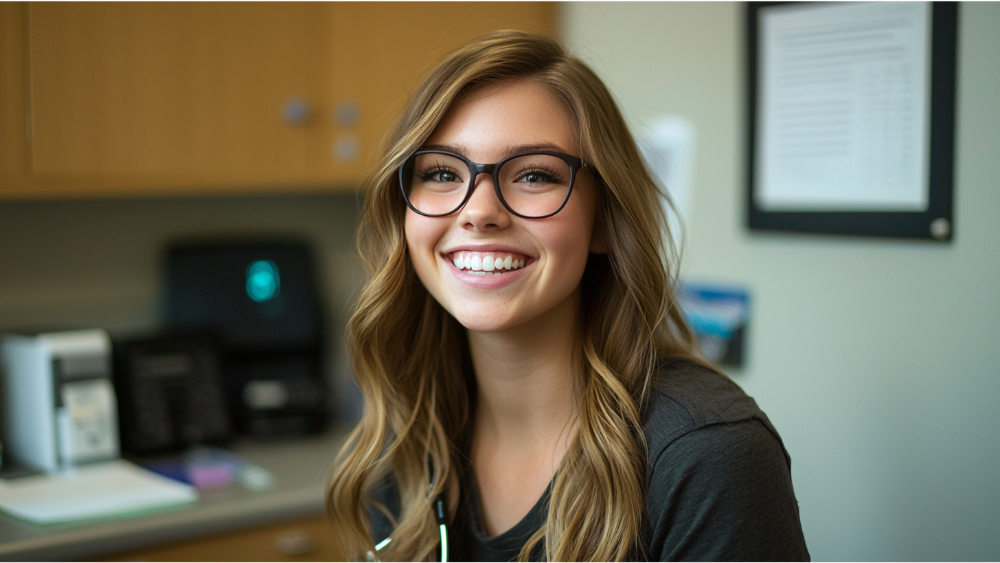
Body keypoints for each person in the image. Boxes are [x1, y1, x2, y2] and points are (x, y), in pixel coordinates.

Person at [326, 31, 809, 563]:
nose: (479, 211)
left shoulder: (707, 454)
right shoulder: (411, 427)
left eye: (535, 174)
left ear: (604, 219)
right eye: (441, 172)